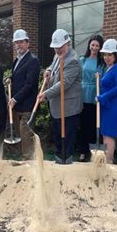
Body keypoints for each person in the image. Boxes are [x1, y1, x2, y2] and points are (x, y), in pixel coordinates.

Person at [37, 29, 82, 165]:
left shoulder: (73, 61)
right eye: (55, 48)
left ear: (68, 43)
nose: (57, 50)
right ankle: (59, 160)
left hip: (68, 108)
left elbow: (64, 84)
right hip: (56, 105)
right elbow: (54, 65)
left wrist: (46, 94)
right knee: (57, 135)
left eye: (60, 47)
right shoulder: (58, 55)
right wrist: (49, 70)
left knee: (67, 138)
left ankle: (66, 163)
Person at [8, 29, 40, 160]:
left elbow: (29, 84)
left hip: (26, 105)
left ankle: (29, 161)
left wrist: (15, 98)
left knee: (26, 135)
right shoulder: (17, 60)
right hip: (17, 106)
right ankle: (22, 159)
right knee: (19, 135)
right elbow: (18, 77)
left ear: (28, 43)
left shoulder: (33, 60)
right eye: (16, 43)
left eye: (21, 42)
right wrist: (10, 78)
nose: (18, 45)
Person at [97, 38, 117, 164]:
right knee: (105, 133)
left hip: (113, 105)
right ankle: (106, 159)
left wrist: (104, 97)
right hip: (106, 104)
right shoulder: (109, 68)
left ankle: (109, 161)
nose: (106, 57)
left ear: (115, 55)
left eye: (110, 54)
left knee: (108, 133)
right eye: (105, 54)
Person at [78, 35, 104, 162]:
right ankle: (82, 151)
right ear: (89, 45)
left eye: (97, 46)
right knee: (83, 125)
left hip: (94, 94)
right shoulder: (82, 59)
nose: (94, 48)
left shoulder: (101, 63)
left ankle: (92, 151)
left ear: (100, 47)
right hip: (82, 94)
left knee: (93, 124)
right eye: (93, 45)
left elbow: (103, 78)